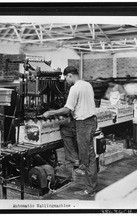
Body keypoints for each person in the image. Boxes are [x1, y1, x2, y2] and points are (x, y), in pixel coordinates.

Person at [40, 66, 98, 196]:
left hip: (83, 124)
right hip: (91, 121)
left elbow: (68, 109)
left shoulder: (74, 88)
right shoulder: (87, 84)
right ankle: (74, 160)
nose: (65, 80)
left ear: (70, 75)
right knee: (66, 131)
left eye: (65, 77)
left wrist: (50, 113)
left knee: (88, 157)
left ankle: (90, 190)